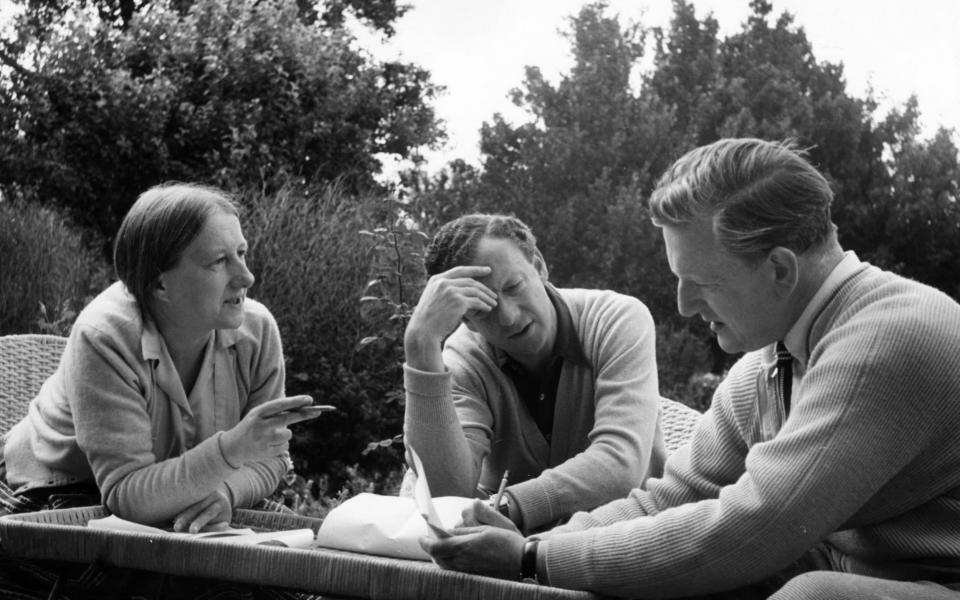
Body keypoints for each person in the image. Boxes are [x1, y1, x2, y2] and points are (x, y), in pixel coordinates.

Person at [420, 139, 960, 599]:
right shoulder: (770, 363)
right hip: (856, 566)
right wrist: (540, 546)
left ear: (778, 268)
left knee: (814, 597)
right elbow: (670, 497)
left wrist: (533, 558)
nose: (681, 304)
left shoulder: (886, 340)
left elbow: (756, 525)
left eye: (700, 281)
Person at [0, 183, 323, 597]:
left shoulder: (256, 332)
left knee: (295, 571)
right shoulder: (106, 335)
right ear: (159, 285)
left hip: (191, 490)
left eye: (241, 253)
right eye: (219, 261)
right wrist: (232, 450)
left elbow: (271, 458)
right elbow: (125, 496)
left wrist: (227, 490)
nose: (246, 276)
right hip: (64, 496)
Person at [403, 213, 666, 533]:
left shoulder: (616, 320)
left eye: (513, 286)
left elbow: (620, 464)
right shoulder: (464, 357)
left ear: (539, 266)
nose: (509, 318)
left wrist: (507, 507)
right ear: (466, 320)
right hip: (503, 560)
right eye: (481, 307)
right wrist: (420, 345)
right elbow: (446, 494)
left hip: (623, 539)